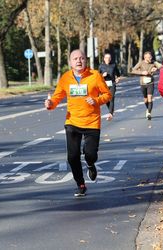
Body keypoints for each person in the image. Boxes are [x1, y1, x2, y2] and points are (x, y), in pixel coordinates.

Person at [44, 49, 112, 197]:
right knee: (72, 157)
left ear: (85, 60)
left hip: (92, 122)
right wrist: (50, 104)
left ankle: (90, 164)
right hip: (72, 121)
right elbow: (57, 97)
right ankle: (80, 184)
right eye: (75, 59)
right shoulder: (65, 78)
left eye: (81, 58)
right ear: (70, 62)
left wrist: (96, 100)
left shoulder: (95, 76)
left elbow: (107, 94)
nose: (79, 61)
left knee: (90, 154)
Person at [131, 51, 162, 120]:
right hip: (143, 83)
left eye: (150, 57)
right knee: (145, 99)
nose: (150, 58)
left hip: (150, 83)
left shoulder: (153, 62)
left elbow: (161, 66)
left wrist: (156, 69)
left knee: (150, 98)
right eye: (148, 57)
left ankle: (149, 112)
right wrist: (142, 72)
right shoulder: (141, 63)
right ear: (145, 57)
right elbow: (133, 70)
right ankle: (148, 109)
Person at [98, 53, 121, 121]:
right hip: (103, 85)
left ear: (110, 59)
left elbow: (118, 74)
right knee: (106, 99)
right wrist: (102, 75)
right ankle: (111, 110)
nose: (108, 59)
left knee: (111, 98)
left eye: (109, 58)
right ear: (104, 59)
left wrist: (117, 79)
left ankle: (110, 113)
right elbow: (97, 76)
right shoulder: (101, 66)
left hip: (112, 83)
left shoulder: (113, 65)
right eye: (106, 58)